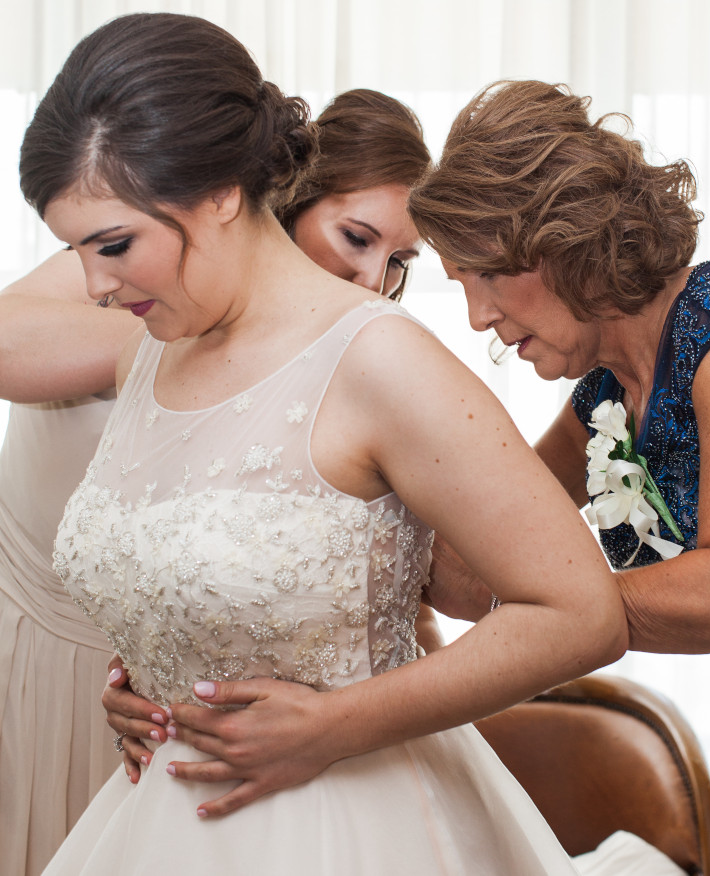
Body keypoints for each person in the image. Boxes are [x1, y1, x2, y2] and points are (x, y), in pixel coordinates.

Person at [22, 15, 627, 874]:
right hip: (158, 820)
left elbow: (579, 613)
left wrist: (332, 726)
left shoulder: (380, 360)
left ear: (220, 193)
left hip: (345, 829)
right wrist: (151, 678)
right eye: (76, 251)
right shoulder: (145, 353)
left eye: (114, 245)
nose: (93, 284)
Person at [406, 79, 710, 876]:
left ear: (563, 243)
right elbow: (473, 562)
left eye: (485, 275)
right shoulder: (602, 395)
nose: (476, 319)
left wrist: (556, 611)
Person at [0, 80, 432, 876]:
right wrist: (152, 348)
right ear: (286, 202)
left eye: (400, 259)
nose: (373, 278)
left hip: (215, 723)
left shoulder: (379, 364)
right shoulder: (140, 282)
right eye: (356, 236)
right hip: (53, 652)